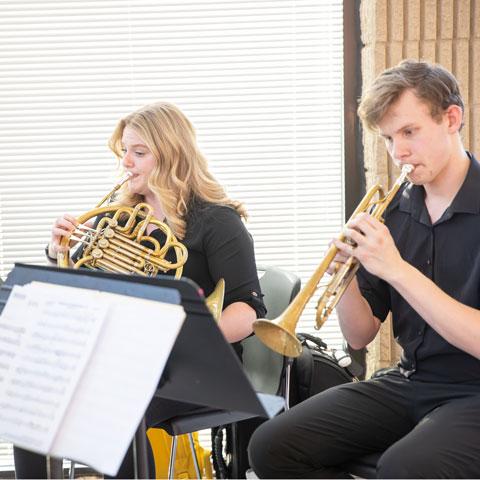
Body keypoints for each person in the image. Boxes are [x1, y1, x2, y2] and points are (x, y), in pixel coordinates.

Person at [248, 59, 480, 479]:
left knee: (403, 467)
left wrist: (396, 269)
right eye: (389, 138)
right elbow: (360, 334)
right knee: (270, 447)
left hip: (475, 389)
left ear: (452, 118)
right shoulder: (395, 208)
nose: (398, 153)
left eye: (409, 132)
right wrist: (348, 276)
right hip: (411, 379)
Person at [15, 101, 266, 478]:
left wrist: (181, 338)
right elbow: (76, 283)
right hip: (123, 362)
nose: (126, 162)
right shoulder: (119, 217)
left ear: (171, 155)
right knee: (32, 404)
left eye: (139, 152)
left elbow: (247, 312)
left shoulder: (217, 221)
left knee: (117, 412)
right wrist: (58, 251)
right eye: (125, 152)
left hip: (196, 369)